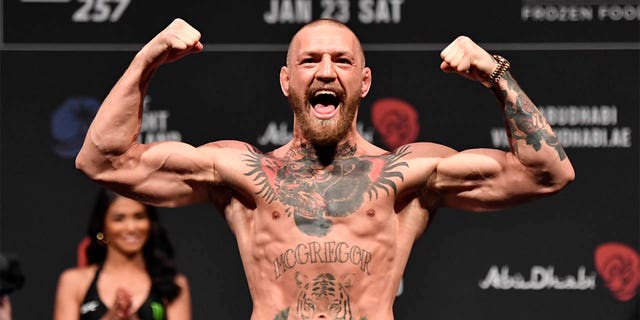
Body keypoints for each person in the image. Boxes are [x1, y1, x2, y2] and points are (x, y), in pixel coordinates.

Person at [75, 18, 575, 319]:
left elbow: (546, 173)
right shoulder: (241, 174)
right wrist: (148, 60)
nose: (326, 71)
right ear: (287, 81)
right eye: (310, 60)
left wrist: (496, 76)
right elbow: (103, 160)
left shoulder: (410, 175)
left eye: (341, 60)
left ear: (363, 81)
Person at [54, 188, 191, 320]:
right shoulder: (74, 283)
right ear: (102, 226)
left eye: (139, 217)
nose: (131, 228)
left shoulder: (173, 284)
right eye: (119, 219)